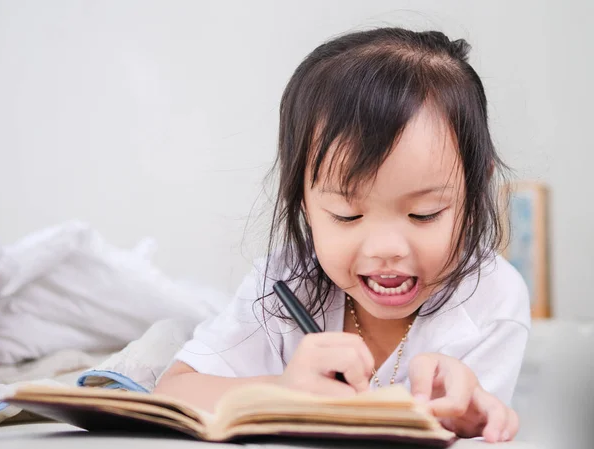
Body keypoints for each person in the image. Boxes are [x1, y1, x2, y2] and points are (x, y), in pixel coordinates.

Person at [155, 27, 531, 443]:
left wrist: (466, 417)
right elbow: (173, 390)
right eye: (347, 215)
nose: (386, 248)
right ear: (304, 203)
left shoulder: (491, 299)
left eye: (424, 214)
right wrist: (282, 392)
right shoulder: (285, 281)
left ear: (476, 192)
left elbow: (473, 427)